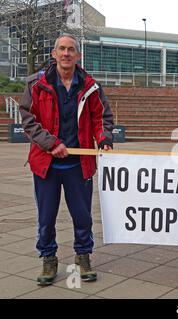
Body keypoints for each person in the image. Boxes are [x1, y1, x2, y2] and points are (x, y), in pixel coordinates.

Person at [19, 34, 114, 286]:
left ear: (78, 55)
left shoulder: (90, 85)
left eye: (71, 49)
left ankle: (83, 256)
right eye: (62, 49)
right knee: (46, 216)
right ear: (54, 53)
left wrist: (104, 139)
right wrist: (52, 143)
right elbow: (28, 120)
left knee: (82, 216)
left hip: (79, 163)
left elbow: (101, 117)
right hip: (46, 164)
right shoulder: (36, 84)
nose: (66, 53)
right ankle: (48, 259)